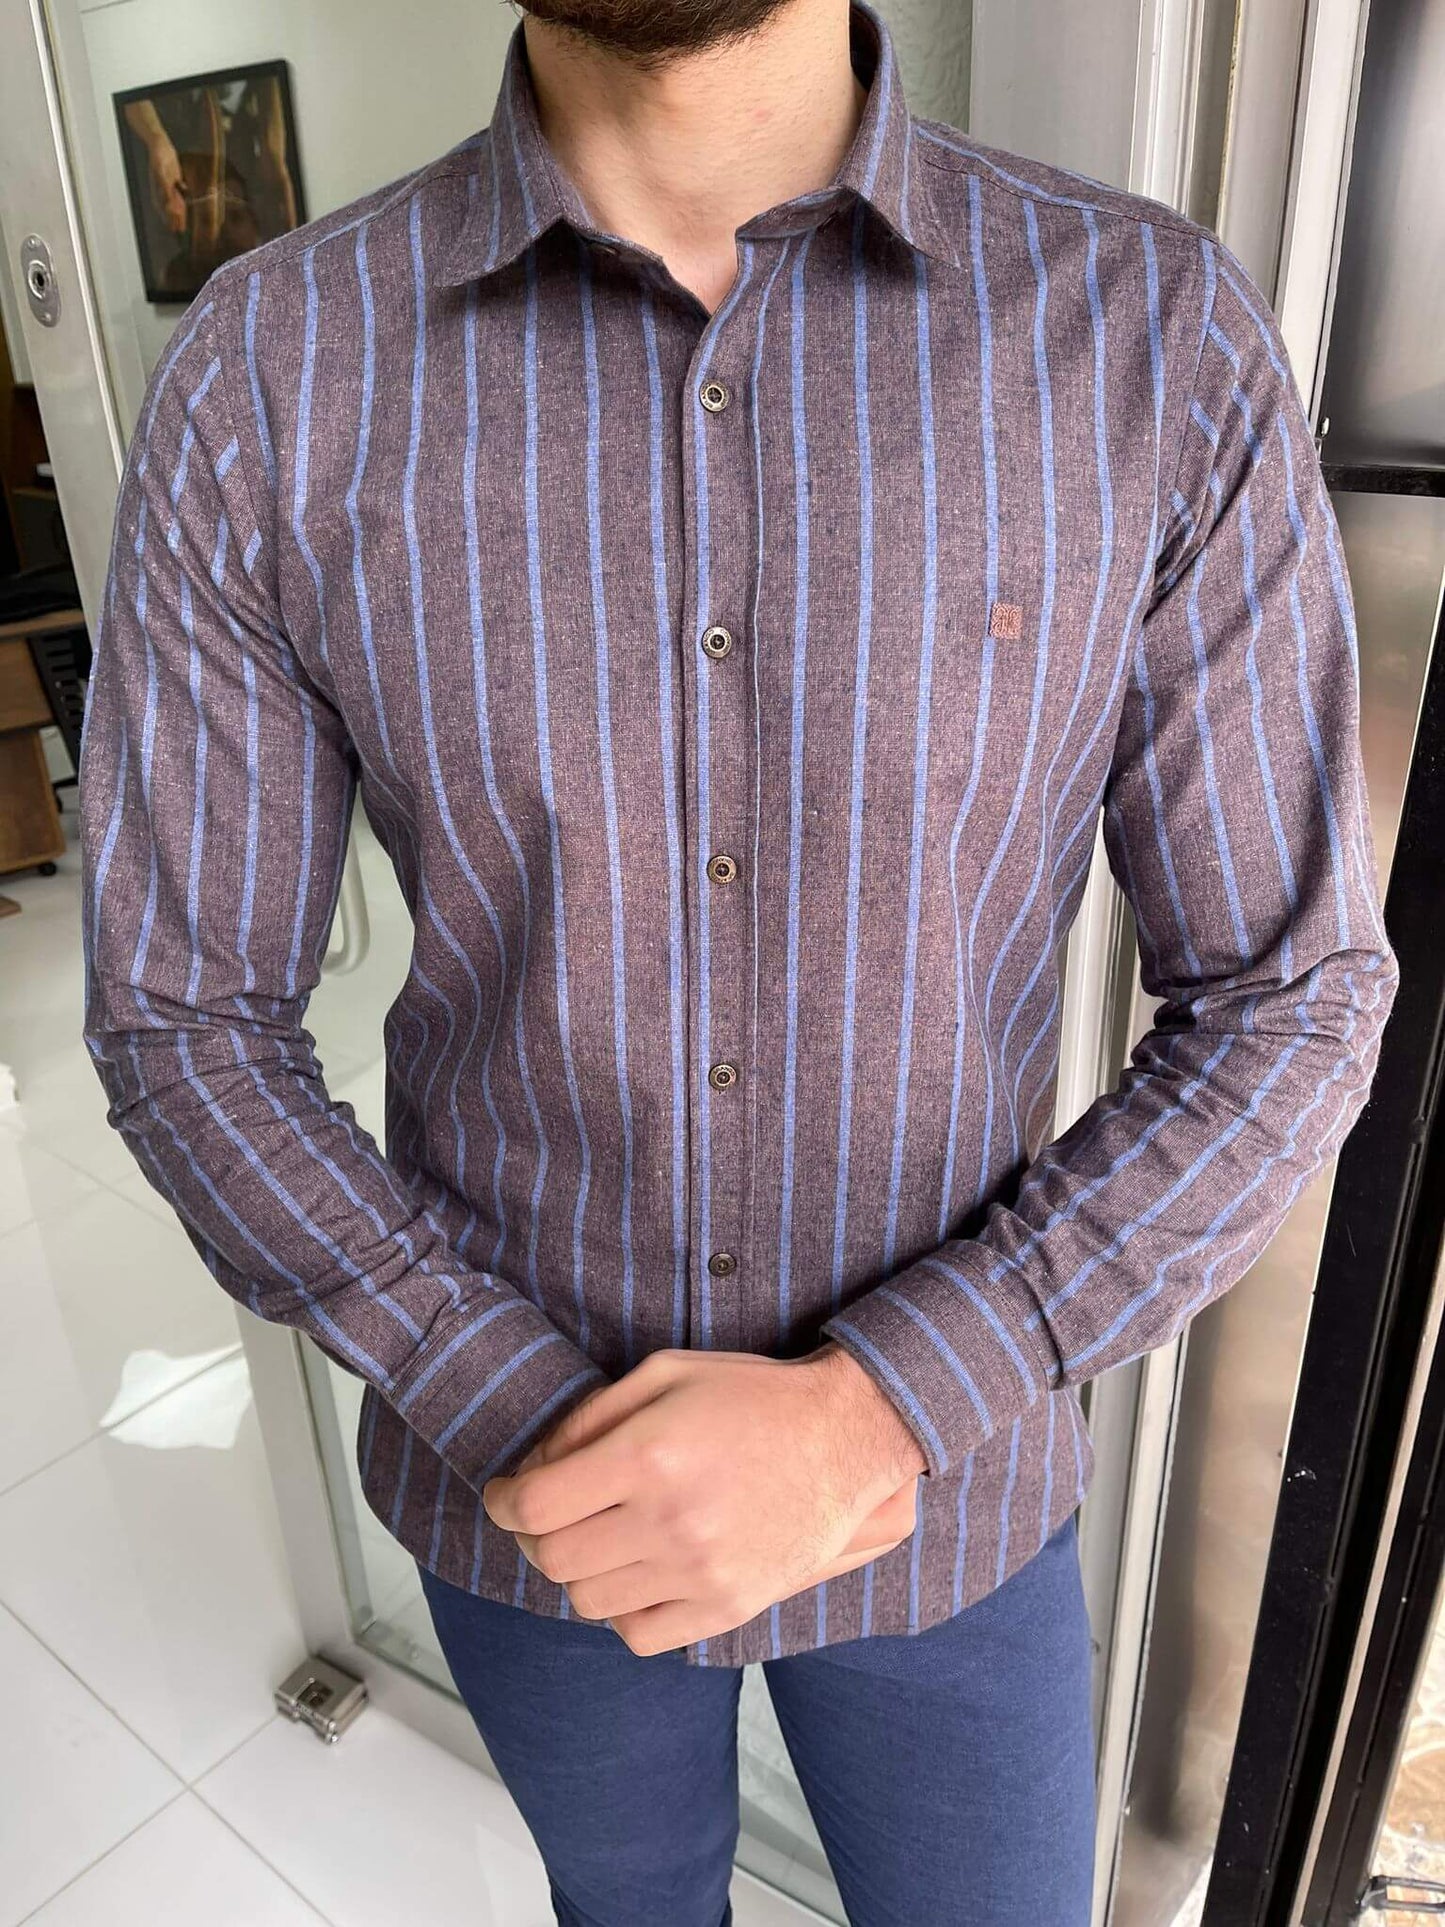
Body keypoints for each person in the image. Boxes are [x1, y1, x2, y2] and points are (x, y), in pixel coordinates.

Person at [78, 0, 1398, 1919]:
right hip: (518, 1495)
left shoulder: (1144, 332)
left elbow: (1289, 997)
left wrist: (887, 1402)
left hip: (947, 1487)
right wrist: (514, 1403)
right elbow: (182, 1015)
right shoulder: (271, 372)